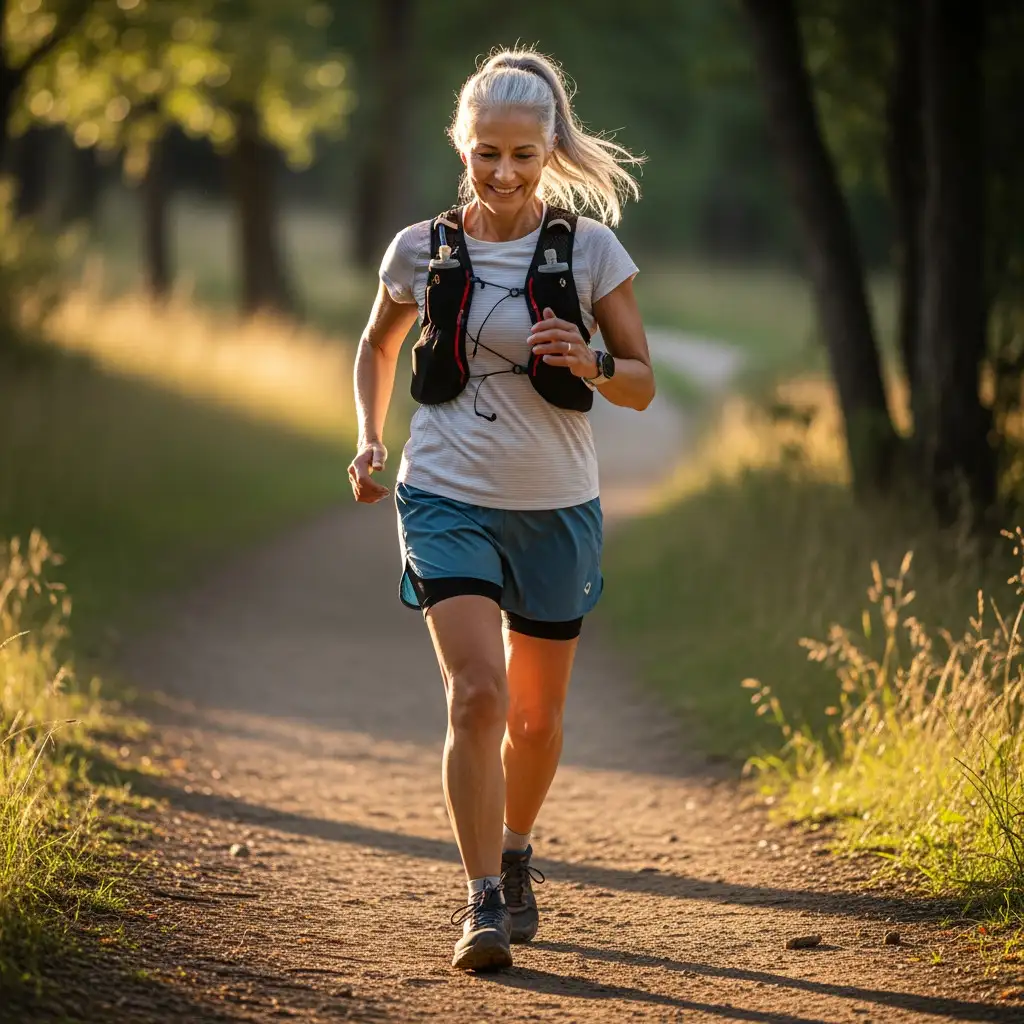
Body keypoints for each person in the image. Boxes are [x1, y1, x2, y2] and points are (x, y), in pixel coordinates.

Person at [347, 46, 655, 972]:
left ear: (549, 151)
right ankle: (482, 899)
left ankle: (516, 850)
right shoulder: (421, 248)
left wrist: (593, 362)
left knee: (535, 720)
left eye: (524, 155)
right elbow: (376, 345)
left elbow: (642, 384)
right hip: (444, 493)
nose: (506, 173)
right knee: (477, 695)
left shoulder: (590, 252)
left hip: (556, 505)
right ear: (463, 146)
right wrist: (368, 436)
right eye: (488, 153)